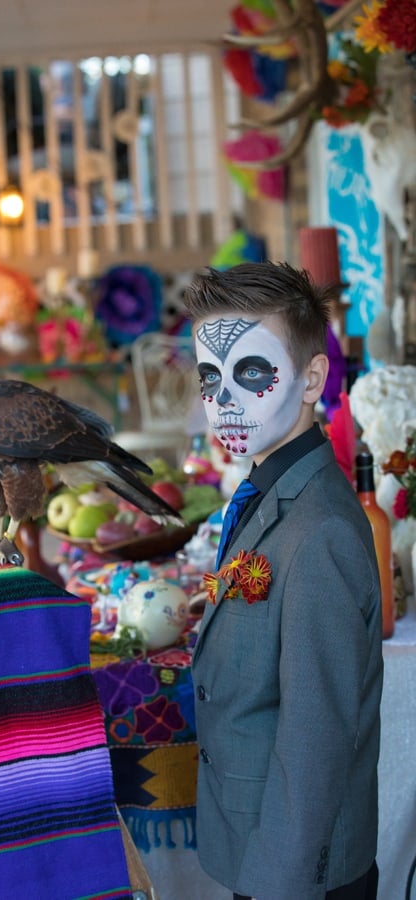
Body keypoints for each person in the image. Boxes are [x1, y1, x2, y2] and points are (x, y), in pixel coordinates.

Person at [183, 261, 383, 900]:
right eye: (210, 377)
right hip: (257, 843)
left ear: (310, 379)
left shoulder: (319, 532)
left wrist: (279, 886)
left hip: (297, 870)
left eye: (251, 373)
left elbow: (315, 740)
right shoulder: (270, 490)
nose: (224, 402)